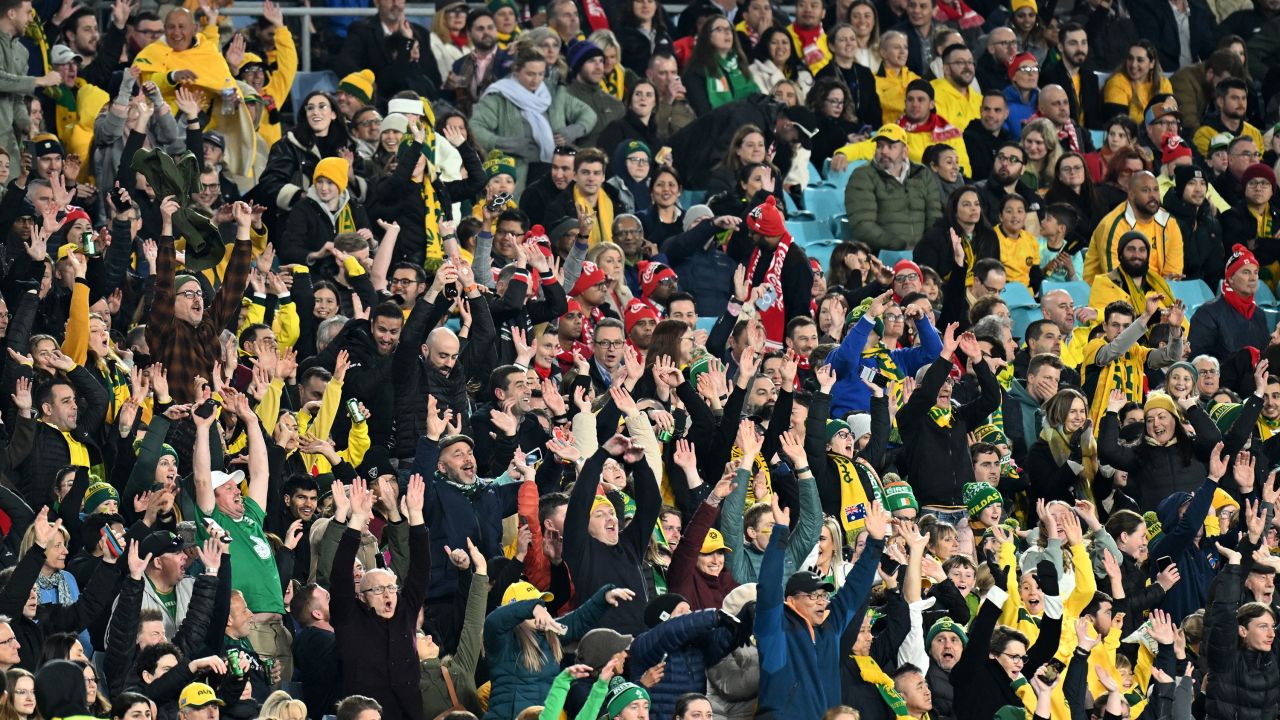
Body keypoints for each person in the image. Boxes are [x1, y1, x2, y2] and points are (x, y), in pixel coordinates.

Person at [753, 494, 888, 719]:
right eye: (813, 596)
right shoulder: (775, 628)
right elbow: (768, 586)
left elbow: (854, 589)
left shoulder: (830, 627)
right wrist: (780, 535)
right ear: (790, 600)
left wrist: (875, 542)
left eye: (824, 596)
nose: (821, 601)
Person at [330, 476, 429, 720]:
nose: (388, 594)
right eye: (377, 590)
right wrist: (356, 519)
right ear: (362, 597)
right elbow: (340, 573)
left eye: (392, 587)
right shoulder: (348, 617)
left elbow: (421, 570)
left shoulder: (405, 609)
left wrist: (416, 516)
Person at [844, 124, 941, 249]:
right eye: (880, 146)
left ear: (905, 151)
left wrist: (927, 246)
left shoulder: (922, 174)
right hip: (883, 255)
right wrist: (900, 246)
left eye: (891, 146)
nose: (884, 151)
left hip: (922, 254)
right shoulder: (862, 176)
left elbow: (934, 217)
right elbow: (863, 226)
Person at [1189, 244, 1271, 360]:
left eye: (1256, 272)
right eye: (1246, 272)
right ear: (1230, 278)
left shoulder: (1259, 315)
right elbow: (1197, 362)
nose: (1253, 278)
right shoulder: (1207, 314)